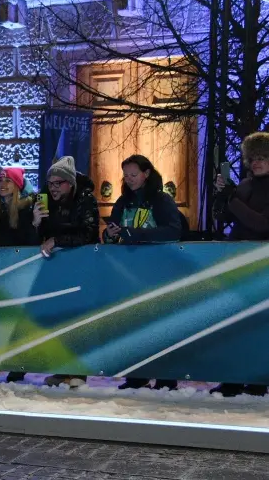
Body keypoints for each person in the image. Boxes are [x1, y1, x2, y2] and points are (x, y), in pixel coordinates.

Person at [104, 154, 183, 391]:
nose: (129, 180)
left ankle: (166, 378)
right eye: (126, 175)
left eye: (134, 175)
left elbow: (173, 231)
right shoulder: (122, 201)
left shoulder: (161, 200)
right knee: (132, 323)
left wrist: (136, 234)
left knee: (160, 323)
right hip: (129, 271)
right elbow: (111, 233)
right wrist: (109, 234)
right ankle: (136, 376)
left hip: (158, 271)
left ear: (146, 174)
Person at [22, 156, 101, 387]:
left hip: (81, 266)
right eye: (51, 183)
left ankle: (78, 372)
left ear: (71, 183)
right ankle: (60, 369)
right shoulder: (43, 199)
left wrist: (57, 240)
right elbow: (33, 239)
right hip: (53, 267)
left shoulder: (85, 199)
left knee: (76, 317)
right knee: (56, 317)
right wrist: (35, 223)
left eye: (59, 183)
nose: (54, 187)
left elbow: (89, 233)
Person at [211, 133, 269, 397]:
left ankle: (258, 380)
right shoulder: (245, 185)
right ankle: (234, 378)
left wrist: (232, 199)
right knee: (236, 324)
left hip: (262, 263)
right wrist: (222, 196)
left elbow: (261, 224)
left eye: (263, 157)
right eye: (253, 158)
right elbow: (223, 217)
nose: (257, 163)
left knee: (259, 326)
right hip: (239, 260)